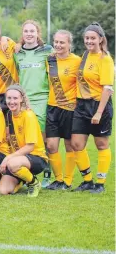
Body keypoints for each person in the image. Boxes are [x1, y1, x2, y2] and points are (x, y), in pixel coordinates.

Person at [71, 23, 114, 194]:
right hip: (81, 105)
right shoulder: (85, 55)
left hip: (98, 105)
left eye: (93, 38)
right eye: (87, 38)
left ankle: (101, 183)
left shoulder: (106, 59)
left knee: (101, 143)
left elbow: (107, 89)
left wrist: (98, 112)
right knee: (76, 143)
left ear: (101, 39)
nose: (89, 41)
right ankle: (87, 181)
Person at [14, 20, 54, 187]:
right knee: (25, 138)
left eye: (32, 31)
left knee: (42, 139)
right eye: (26, 31)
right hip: (24, 100)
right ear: (22, 34)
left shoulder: (48, 51)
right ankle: (26, 172)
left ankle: (47, 173)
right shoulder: (17, 53)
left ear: (38, 33)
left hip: (41, 99)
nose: (29, 34)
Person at [45, 30, 81, 190]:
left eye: (62, 42)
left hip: (70, 109)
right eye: (56, 42)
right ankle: (58, 179)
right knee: (51, 145)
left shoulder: (77, 61)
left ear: (69, 44)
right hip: (52, 107)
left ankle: (67, 181)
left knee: (69, 145)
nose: (58, 45)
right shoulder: (50, 60)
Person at [0, 85, 48, 198]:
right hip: (18, 158)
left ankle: (34, 182)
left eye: (15, 98)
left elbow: (30, 147)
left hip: (36, 157)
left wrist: (8, 158)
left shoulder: (28, 115)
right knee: (3, 190)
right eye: (9, 98)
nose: (12, 101)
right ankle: (22, 179)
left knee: (12, 163)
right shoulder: (9, 115)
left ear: (22, 99)